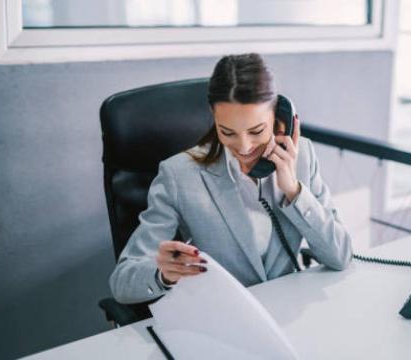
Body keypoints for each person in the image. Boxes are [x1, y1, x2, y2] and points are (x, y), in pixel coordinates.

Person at [110, 53, 352, 304]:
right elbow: (122, 281)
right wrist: (163, 276)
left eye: (256, 131)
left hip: (288, 310)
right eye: (227, 132)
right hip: (223, 316)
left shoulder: (302, 157)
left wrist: (293, 190)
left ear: (280, 119)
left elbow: (340, 256)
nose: (244, 146)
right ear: (214, 118)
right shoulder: (179, 175)